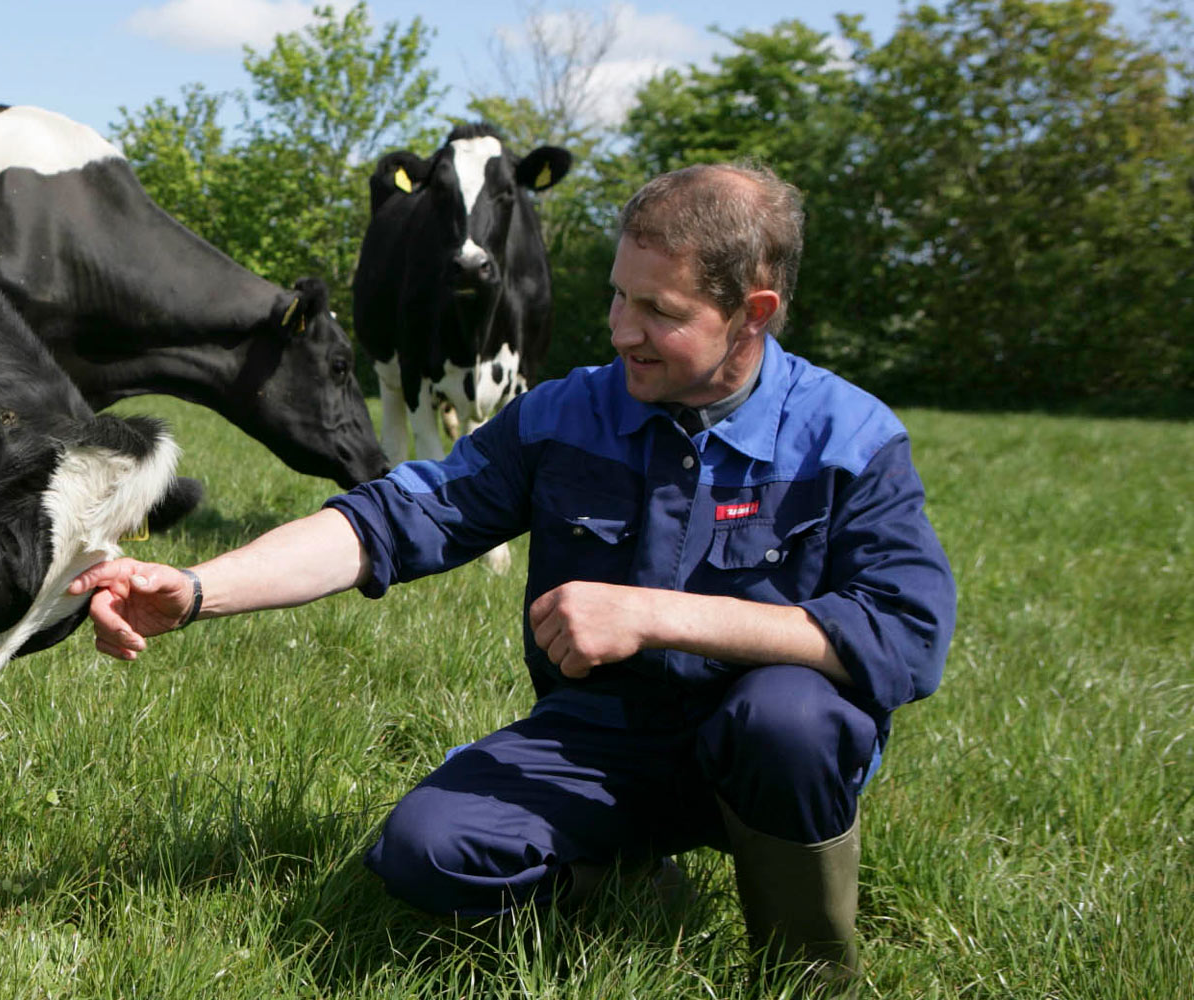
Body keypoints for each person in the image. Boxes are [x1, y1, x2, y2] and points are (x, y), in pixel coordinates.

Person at [68, 163, 955, 991]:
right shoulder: (568, 414)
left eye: (660, 311)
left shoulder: (850, 438)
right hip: (600, 736)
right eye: (616, 295)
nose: (620, 330)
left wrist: (658, 615)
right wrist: (195, 589)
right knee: (425, 851)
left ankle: (807, 976)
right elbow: (392, 519)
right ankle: (630, 884)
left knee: (790, 720)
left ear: (753, 313)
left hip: (758, 745)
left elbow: (905, 639)